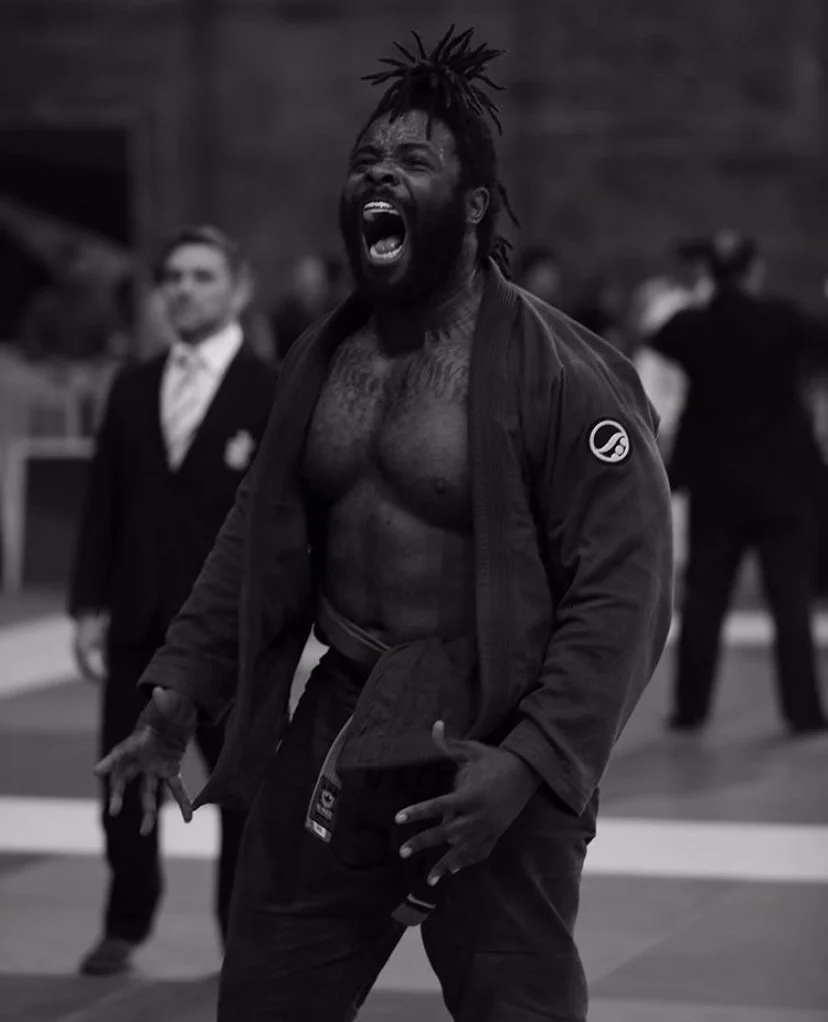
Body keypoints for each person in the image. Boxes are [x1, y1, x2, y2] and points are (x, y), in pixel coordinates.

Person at [96, 28, 673, 1021]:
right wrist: (181, 688)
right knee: (270, 987)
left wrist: (534, 763)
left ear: (475, 204)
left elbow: (624, 586)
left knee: (517, 1002)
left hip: (496, 730)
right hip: (350, 710)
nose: (379, 174)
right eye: (367, 159)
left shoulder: (563, 373)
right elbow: (255, 532)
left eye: (413, 161)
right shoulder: (325, 359)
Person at [69, 225, 278, 976]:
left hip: (234, 634)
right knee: (125, 786)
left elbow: (289, 521)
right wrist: (88, 602)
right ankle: (125, 921)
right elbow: (104, 505)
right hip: (137, 620)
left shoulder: (272, 388)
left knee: (243, 796)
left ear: (238, 288)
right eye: (174, 278)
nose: (184, 289)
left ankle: (241, 940)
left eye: (202, 276)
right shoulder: (132, 384)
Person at [647, 229, 828, 736]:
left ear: (712, 274)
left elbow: (656, 338)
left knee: (704, 603)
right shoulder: (784, 319)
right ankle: (804, 712)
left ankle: (690, 709)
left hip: (716, 484)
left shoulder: (693, 325)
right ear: (755, 269)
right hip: (783, 483)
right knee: (791, 605)